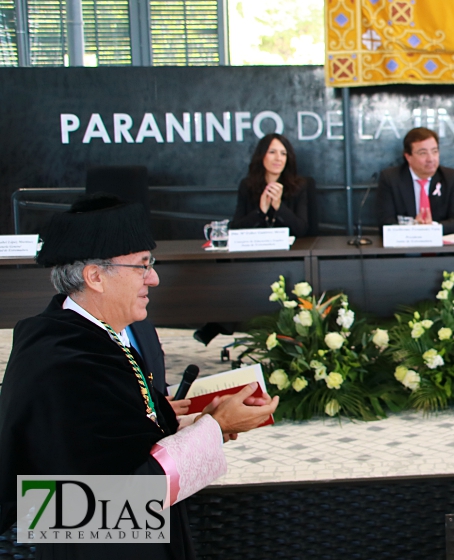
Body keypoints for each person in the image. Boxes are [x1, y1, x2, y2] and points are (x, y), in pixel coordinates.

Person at [0, 194, 279, 560]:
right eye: (142, 266)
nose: (155, 278)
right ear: (95, 276)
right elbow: (102, 501)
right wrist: (213, 427)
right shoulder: (63, 361)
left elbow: (121, 439)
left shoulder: (89, 337)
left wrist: (204, 421)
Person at [376, 127, 454, 234]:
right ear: (408, 157)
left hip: (441, 248)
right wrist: (413, 227)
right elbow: (385, 224)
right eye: (423, 153)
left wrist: (432, 227)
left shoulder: (451, 177)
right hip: (406, 247)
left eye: (434, 151)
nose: (431, 159)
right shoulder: (391, 178)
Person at [229, 133, 311, 237]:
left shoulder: (299, 186)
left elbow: (301, 230)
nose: (278, 158)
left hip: (289, 251)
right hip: (256, 250)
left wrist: (279, 207)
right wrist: (261, 211)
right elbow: (235, 230)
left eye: (283, 154)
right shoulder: (247, 185)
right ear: (262, 155)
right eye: (272, 152)